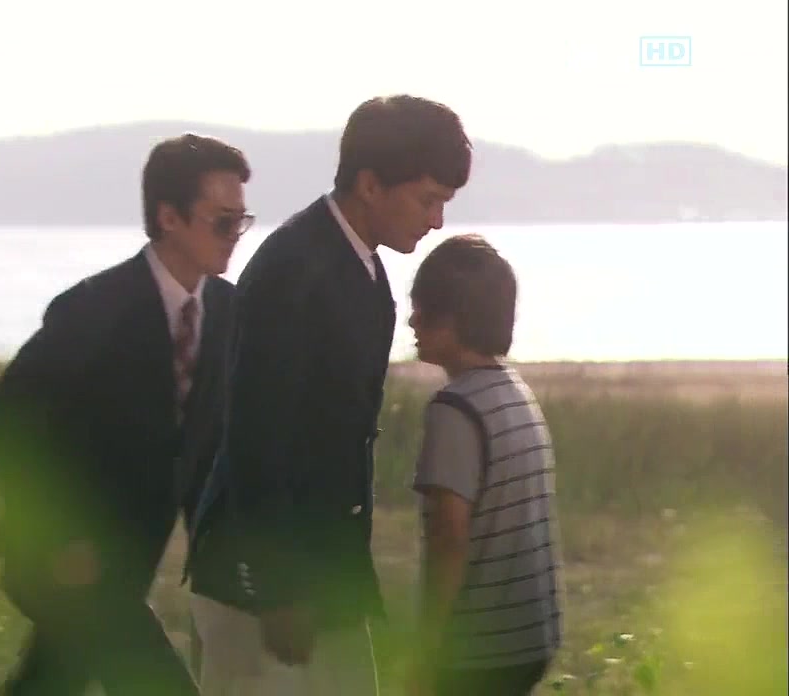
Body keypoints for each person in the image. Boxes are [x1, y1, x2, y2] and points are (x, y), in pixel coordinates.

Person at [183, 95, 473, 696]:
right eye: (427, 199)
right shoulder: (294, 268)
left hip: (326, 577)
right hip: (261, 584)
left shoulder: (361, 267)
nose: (437, 220)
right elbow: (255, 437)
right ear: (369, 185)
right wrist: (278, 590)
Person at [0, 133, 255, 696]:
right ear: (168, 218)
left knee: (49, 682)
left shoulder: (227, 312)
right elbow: (8, 423)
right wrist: (61, 539)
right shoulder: (93, 309)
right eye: (222, 222)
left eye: (241, 222)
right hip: (63, 562)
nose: (234, 237)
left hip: (127, 564)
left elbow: (201, 445)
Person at [404, 234, 564, 696]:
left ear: (455, 321)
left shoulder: (454, 408)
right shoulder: (516, 392)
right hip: (532, 636)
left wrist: (426, 651)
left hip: (479, 650)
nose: (412, 321)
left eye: (423, 310)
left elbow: (448, 539)